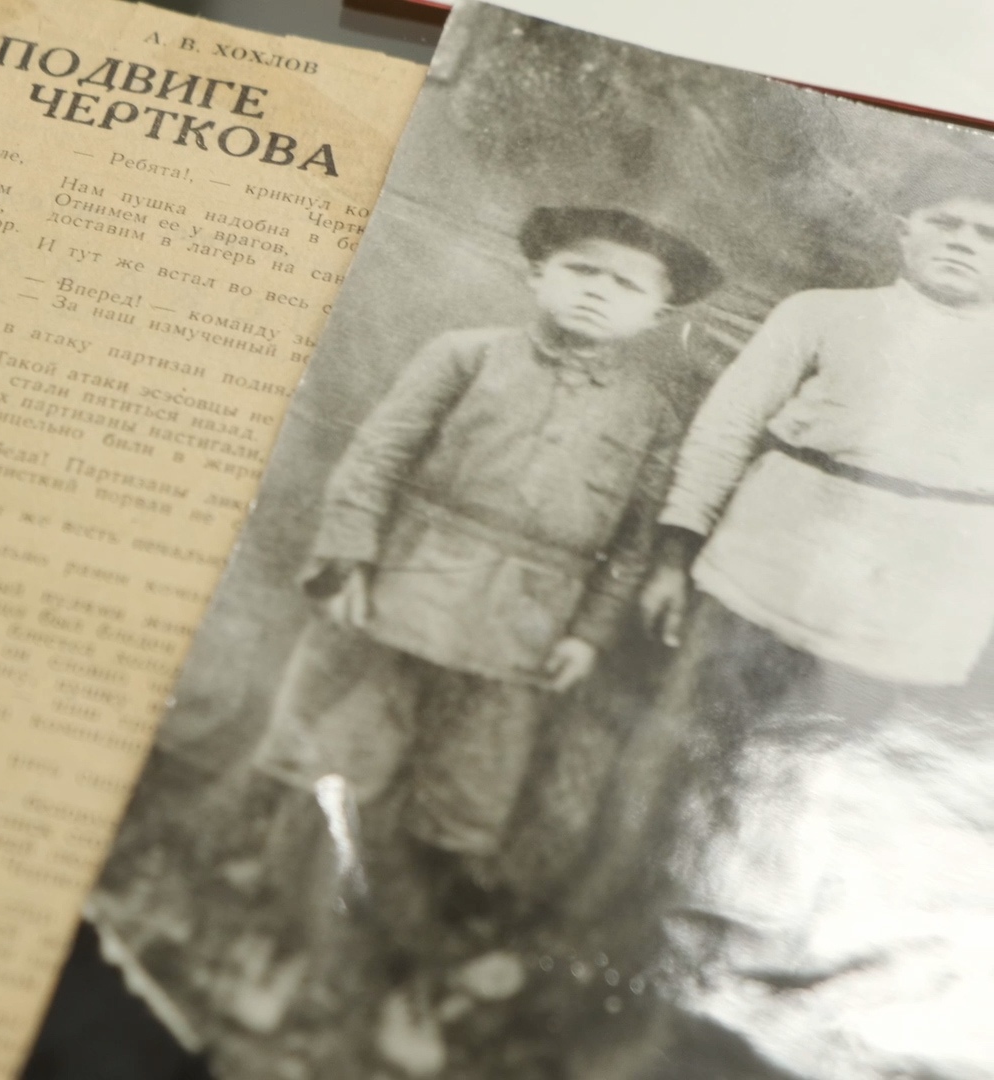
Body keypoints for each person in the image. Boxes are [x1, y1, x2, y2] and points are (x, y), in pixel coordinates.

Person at [241, 206, 720, 1076]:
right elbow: (377, 458)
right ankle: (281, 949)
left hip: (520, 638)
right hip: (396, 599)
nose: (598, 292)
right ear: (537, 275)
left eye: (626, 285)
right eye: (581, 269)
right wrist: (348, 560)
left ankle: (415, 987)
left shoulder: (651, 414)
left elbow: (630, 548)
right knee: (328, 771)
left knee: (460, 820)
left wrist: (587, 634)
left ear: (658, 315)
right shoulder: (465, 354)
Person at [633, 172, 994, 1078]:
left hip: (913, 606)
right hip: (766, 566)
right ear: (905, 231)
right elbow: (726, 426)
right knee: (703, 754)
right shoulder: (823, 313)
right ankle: (649, 958)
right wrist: (677, 546)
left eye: (988, 234)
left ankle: (746, 985)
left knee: (823, 782)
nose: (964, 243)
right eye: (946, 222)